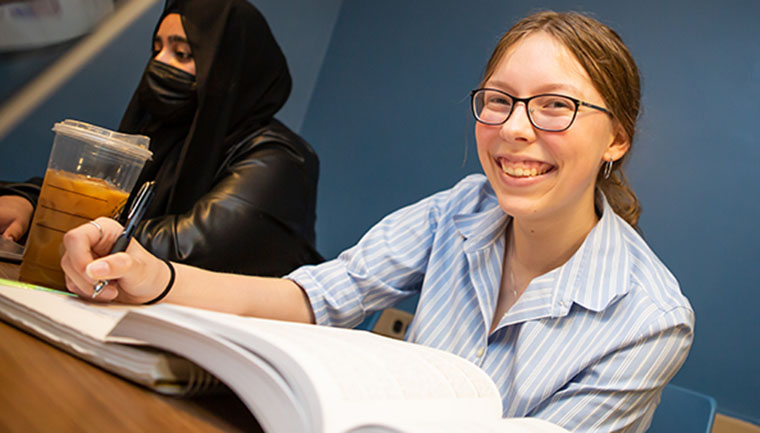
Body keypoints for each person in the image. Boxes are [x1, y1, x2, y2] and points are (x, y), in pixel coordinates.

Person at [60, 11, 694, 432]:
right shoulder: (458, 209)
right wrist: (154, 277)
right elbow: (313, 296)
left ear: (617, 139)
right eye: (498, 101)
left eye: (555, 106)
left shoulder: (650, 319)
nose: (515, 128)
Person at [0, 0, 323, 276]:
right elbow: (93, 190)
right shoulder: (164, 134)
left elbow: (188, 249)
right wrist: (29, 202)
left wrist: (53, 223)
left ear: (232, 67)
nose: (159, 63)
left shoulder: (278, 157)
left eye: (182, 53)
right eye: (157, 49)